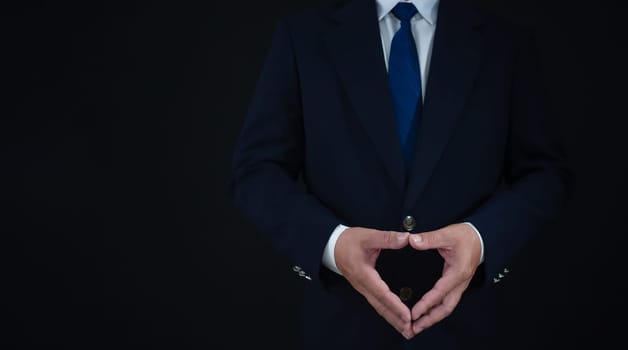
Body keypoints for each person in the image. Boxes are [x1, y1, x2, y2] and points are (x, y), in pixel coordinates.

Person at [230, 0, 571, 349]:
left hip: (471, 329)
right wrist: (332, 244)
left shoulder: (504, 41)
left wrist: (481, 239)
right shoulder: (302, 37)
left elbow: (544, 175)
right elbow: (257, 171)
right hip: (342, 330)